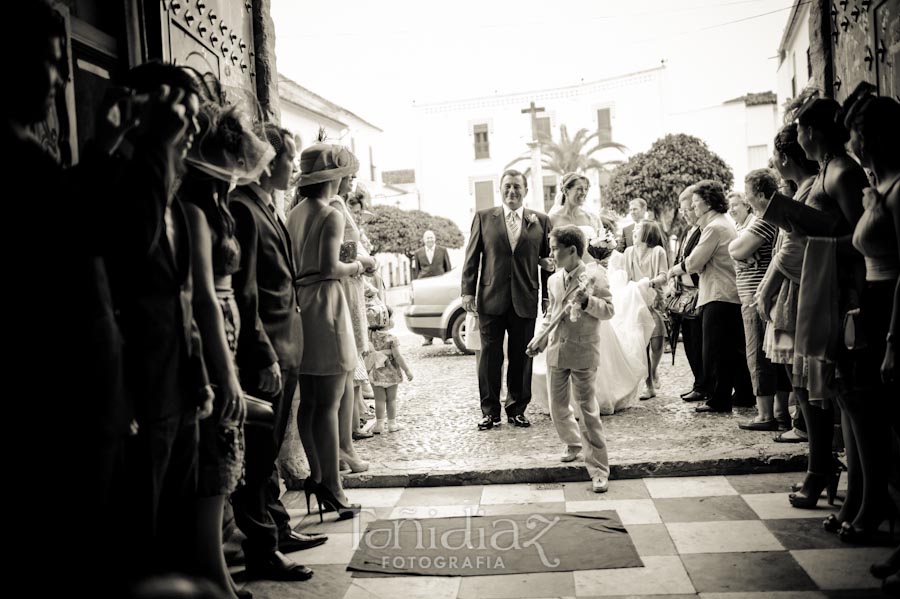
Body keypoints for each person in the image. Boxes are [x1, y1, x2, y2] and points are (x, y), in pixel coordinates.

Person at [230, 124, 319, 581]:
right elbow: (245, 294)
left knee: (268, 453)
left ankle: (279, 530)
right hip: (267, 352)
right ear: (267, 160)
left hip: (289, 346)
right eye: (290, 158)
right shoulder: (243, 210)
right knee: (257, 457)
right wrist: (261, 353)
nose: (295, 168)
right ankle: (262, 550)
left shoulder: (268, 206)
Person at [287, 142, 364, 522]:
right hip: (327, 304)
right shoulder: (330, 214)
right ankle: (333, 486)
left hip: (301, 305)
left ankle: (317, 477)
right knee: (330, 404)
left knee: (311, 402)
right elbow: (332, 267)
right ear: (334, 177)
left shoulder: (295, 213)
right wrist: (358, 265)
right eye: (347, 175)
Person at [461, 169, 552, 430]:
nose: (512, 192)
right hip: (491, 298)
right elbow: (471, 258)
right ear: (500, 189)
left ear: (525, 191)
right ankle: (490, 411)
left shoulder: (541, 221)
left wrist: (546, 296)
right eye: (508, 187)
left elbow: (548, 263)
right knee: (490, 357)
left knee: (522, 356)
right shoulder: (483, 218)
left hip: (525, 297)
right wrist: (467, 291)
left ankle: (517, 409)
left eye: (517, 187)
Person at [527, 225, 615, 493]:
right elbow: (551, 315)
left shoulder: (595, 276)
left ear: (572, 250)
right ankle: (573, 442)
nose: (551, 254)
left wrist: (587, 301)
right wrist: (540, 339)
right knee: (557, 406)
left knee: (587, 410)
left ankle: (599, 469)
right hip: (556, 350)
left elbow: (609, 310)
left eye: (555, 249)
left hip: (583, 351)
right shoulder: (554, 280)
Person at [667, 180, 753, 413]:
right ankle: (744, 394)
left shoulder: (714, 227)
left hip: (718, 295)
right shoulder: (721, 224)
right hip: (725, 293)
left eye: (695, 204)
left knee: (716, 351)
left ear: (707, 204)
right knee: (732, 350)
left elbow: (694, 262)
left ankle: (719, 399)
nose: (693, 209)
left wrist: (674, 270)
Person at [733, 169, 786, 431]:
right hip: (759, 292)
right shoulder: (764, 219)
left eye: (748, 194)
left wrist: (740, 253)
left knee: (758, 354)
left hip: (757, 295)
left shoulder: (764, 219)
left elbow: (737, 249)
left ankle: (766, 415)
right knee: (770, 352)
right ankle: (777, 412)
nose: (745, 199)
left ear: (761, 194)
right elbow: (737, 248)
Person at [624, 220, 668, 399]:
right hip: (636, 301)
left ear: (647, 233)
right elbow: (626, 277)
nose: (634, 230)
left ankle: (654, 370)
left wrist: (649, 283)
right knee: (642, 343)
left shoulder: (658, 251)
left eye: (638, 228)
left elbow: (664, 276)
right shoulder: (628, 252)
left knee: (657, 342)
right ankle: (648, 384)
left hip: (654, 301)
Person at [366, 305, 414, 433]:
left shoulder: (369, 336)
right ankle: (392, 424)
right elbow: (398, 356)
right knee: (391, 399)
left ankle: (379, 424)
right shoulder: (392, 338)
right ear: (385, 320)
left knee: (379, 399)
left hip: (375, 372)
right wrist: (407, 370)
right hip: (391, 373)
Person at [413, 230, 453, 345]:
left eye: (431, 237)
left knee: (443, 309)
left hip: (440, 284)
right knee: (425, 310)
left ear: (434, 238)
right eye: (427, 238)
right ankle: (427, 338)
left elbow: (448, 268)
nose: (430, 240)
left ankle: (446, 337)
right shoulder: (418, 253)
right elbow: (416, 271)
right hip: (424, 285)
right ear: (424, 240)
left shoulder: (442, 250)